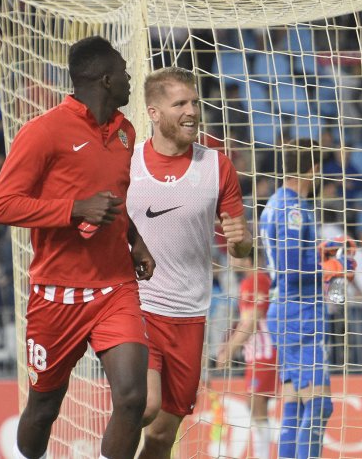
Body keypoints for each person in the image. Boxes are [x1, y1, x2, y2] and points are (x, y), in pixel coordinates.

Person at [0, 35, 155, 459]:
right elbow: (1, 206)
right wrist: (75, 209)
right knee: (45, 405)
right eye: (123, 71)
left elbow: (115, 198)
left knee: (134, 398)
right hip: (55, 293)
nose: (130, 77)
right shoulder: (43, 132)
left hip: (115, 287)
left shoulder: (125, 132)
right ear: (104, 80)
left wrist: (135, 240)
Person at [127, 67, 252, 458]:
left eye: (195, 102)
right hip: (138, 307)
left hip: (192, 315)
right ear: (154, 112)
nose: (192, 111)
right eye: (179, 103)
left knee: (163, 435)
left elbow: (240, 244)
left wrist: (243, 242)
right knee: (143, 406)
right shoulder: (127, 164)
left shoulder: (217, 167)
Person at [260, 141, 334, 459]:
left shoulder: (275, 203)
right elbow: (291, 268)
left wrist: (321, 256)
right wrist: (328, 268)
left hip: (285, 309)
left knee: (293, 402)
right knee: (319, 405)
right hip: (299, 309)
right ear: (313, 171)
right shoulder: (293, 208)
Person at [218, 257, 279, 459]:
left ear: (246, 257)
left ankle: (263, 455)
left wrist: (229, 349)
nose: (229, 257)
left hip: (265, 352)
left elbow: (252, 321)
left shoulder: (256, 280)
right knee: (255, 405)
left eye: (233, 253)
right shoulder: (254, 280)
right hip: (256, 353)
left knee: (256, 404)